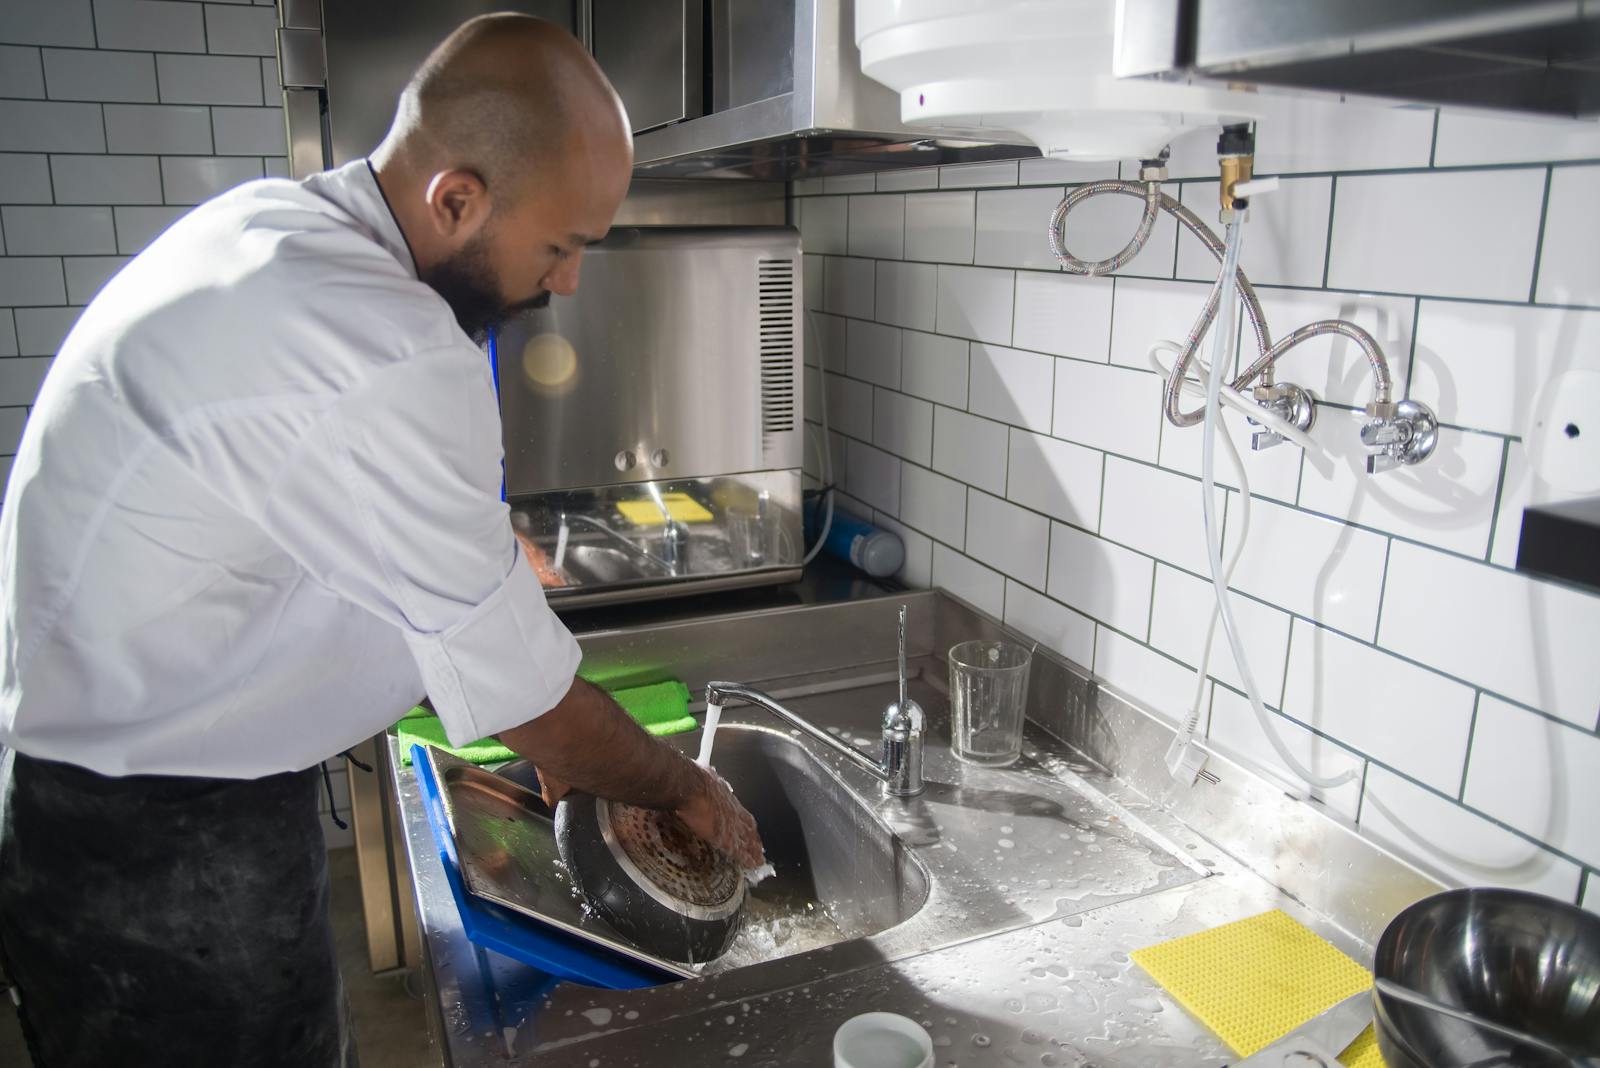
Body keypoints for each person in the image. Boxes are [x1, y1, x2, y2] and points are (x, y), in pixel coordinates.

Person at [0, 15, 763, 1068]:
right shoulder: (384, 343)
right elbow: (526, 700)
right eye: (560, 246)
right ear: (455, 199)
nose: (568, 283)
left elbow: (319, 490)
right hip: (160, 850)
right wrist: (678, 787)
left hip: (105, 805)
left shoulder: (274, 228)